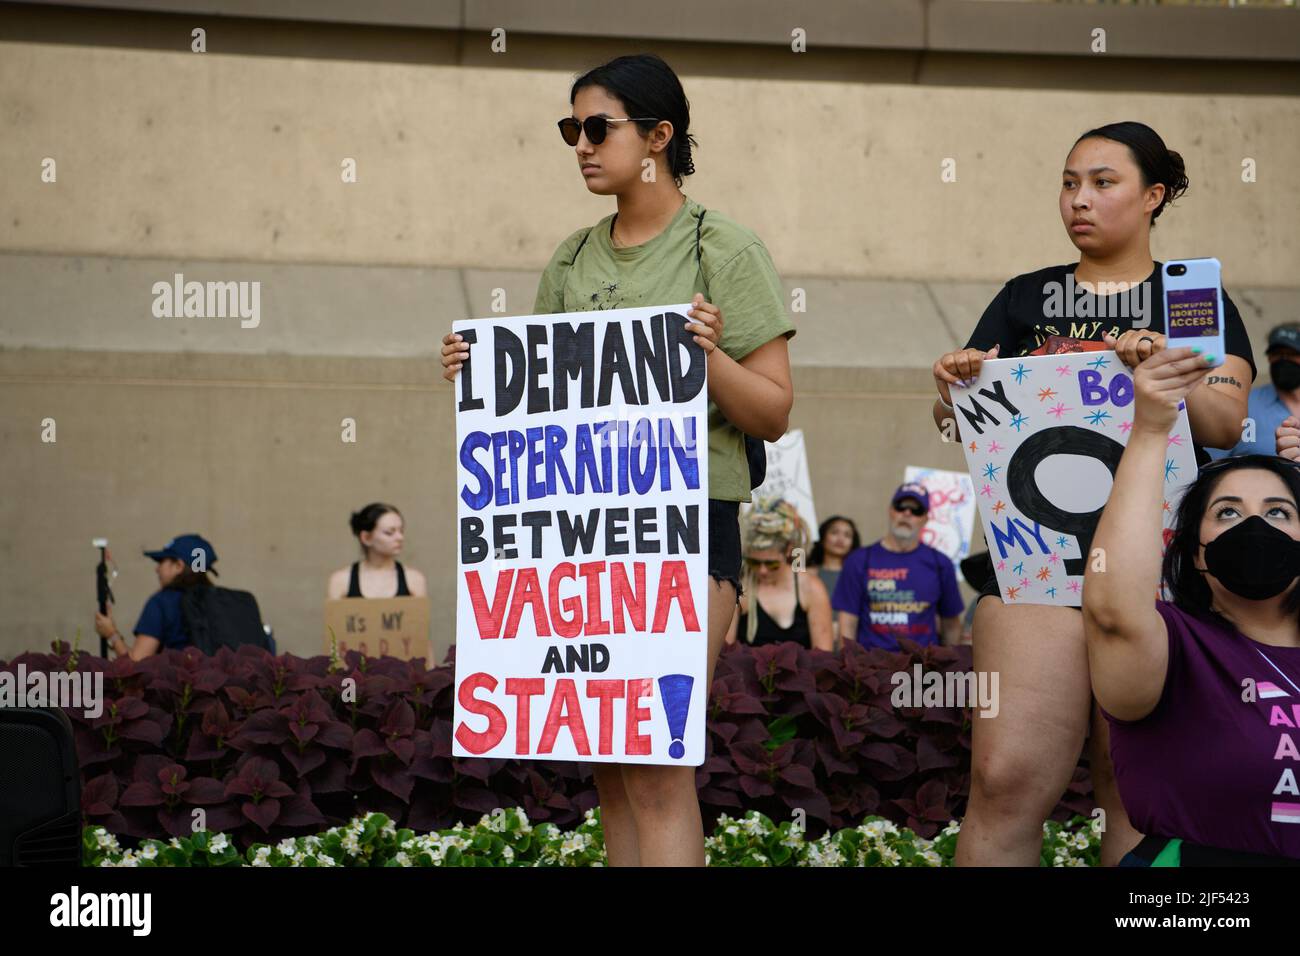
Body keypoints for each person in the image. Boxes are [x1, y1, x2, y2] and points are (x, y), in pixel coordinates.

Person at [440, 54, 796, 867]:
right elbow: (536, 415)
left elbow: (773, 409)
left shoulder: (725, 250)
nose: (580, 146)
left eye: (598, 128)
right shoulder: (570, 260)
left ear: (658, 137)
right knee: (609, 768)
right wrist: (480, 375)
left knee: (659, 768)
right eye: (572, 130)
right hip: (582, 536)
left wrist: (705, 357)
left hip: (689, 524)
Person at [932, 121, 1257, 866]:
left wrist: (1166, 365)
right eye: (1070, 182)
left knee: (1136, 792)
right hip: (1033, 564)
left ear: (1154, 196)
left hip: (1159, 570)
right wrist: (950, 386)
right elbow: (966, 419)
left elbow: (1225, 419)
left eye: (1104, 183)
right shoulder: (1024, 297)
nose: (1080, 199)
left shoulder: (1192, 297)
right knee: (1004, 779)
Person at [1086, 344, 1300, 863]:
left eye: (1279, 512)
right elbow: (1114, 607)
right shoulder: (1175, 644)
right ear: (1192, 552)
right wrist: (1152, 428)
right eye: (1227, 513)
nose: (1255, 526)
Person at [832, 482, 964, 649]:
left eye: (916, 510)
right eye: (901, 506)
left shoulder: (941, 563)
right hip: (869, 670)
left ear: (925, 519)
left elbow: (951, 625)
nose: (907, 513)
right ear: (890, 511)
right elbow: (847, 623)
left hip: (923, 670)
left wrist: (950, 668)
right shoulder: (859, 560)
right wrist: (848, 666)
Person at [727, 498, 833, 650]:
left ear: (788, 550)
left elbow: (823, 655)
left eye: (772, 564)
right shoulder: (741, 586)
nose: (762, 570)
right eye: (754, 562)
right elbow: (724, 650)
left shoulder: (810, 588)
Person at [93, 533, 217, 660]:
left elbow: (137, 664)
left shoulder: (162, 602)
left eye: (162, 561)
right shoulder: (219, 601)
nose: (157, 569)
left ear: (178, 566)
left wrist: (111, 634)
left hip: (176, 679)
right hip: (215, 679)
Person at [1208, 323, 1300, 459]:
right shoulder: (1244, 405)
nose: (1284, 359)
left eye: (1292, 354)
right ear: (1269, 358)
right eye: (1277, 354)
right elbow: (1210, 464)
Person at [327, 502, 428, 600]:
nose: (400, 537)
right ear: (366, 538)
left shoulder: (414, 580)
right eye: (389, 533)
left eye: (401, 531)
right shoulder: (341, 581)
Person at [808, 515, 860, 611]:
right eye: (834, 532)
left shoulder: (857, 576)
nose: (840, 539)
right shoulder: (806, 573)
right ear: (822, 538)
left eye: (847, 535)